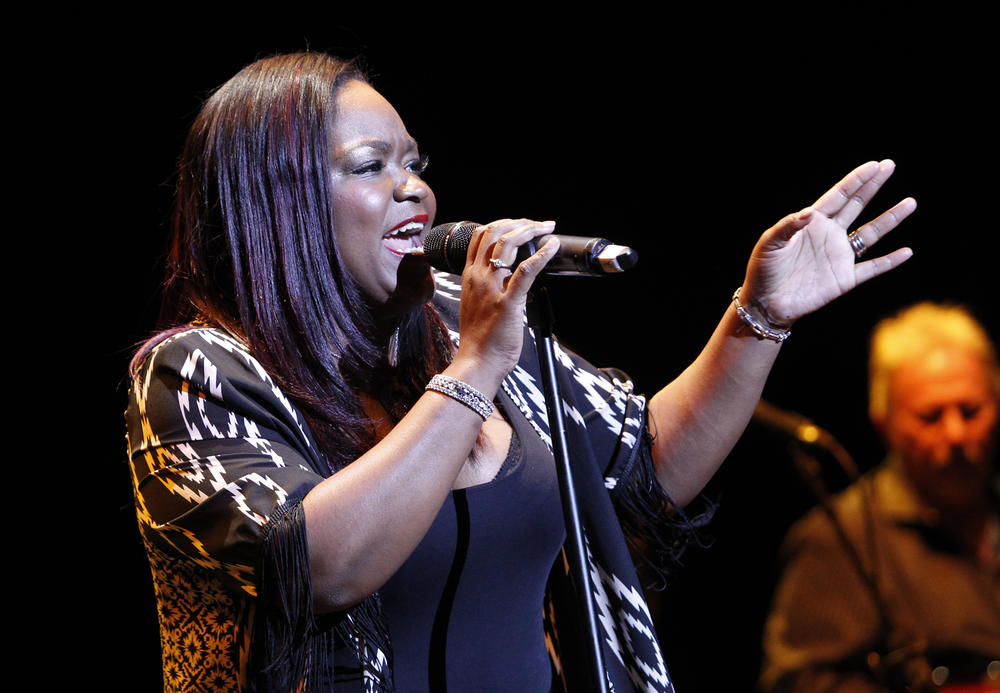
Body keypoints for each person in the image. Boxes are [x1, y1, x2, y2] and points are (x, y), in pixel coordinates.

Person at [124, 51, 916, 692]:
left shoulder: (449, 321)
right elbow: (317, 567)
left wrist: (760, 315)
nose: (418, 190)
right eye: (371, 166)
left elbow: (642, 467)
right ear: (277, 201)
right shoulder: (199, 375)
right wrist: (474, 366)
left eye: (416, 162)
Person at [759, 303, 1000, 692]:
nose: (956, 434)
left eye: (971, 411)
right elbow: (795, 683)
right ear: (884, 423)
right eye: (931, 416)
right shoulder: (841, 535)